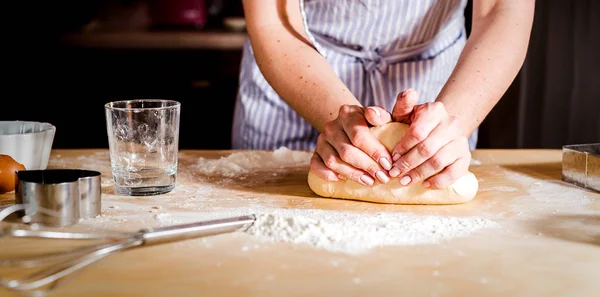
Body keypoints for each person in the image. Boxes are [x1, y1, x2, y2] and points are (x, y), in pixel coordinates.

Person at [232, 0, 535, 190]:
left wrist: (453, 120)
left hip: (434, 81)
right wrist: (338, 117)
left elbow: (502, 9)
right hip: (299, 68)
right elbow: (272, 19)